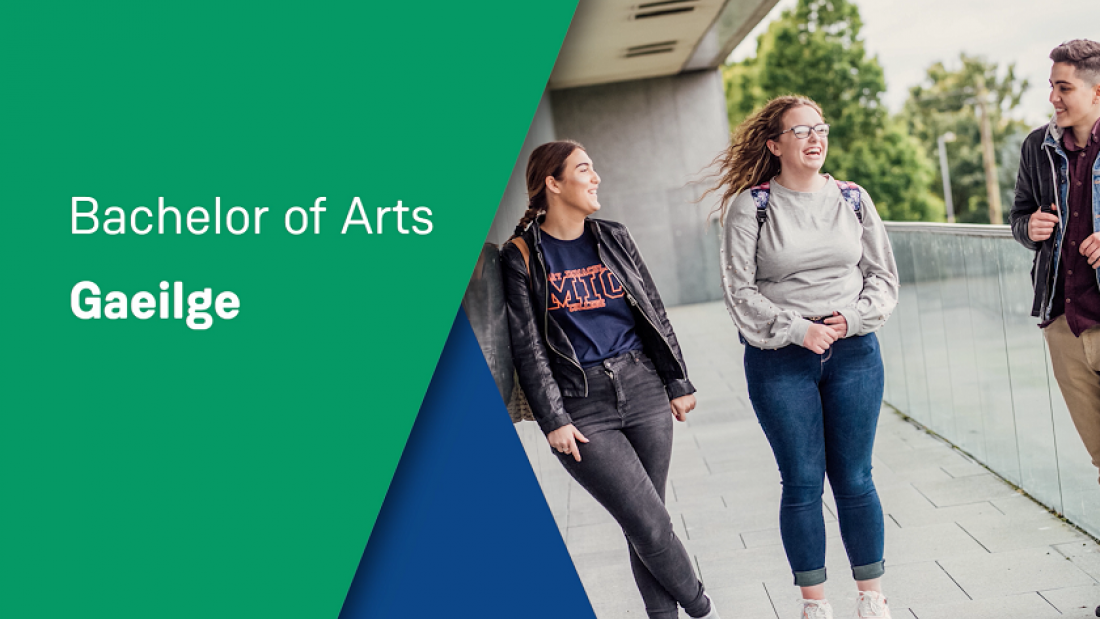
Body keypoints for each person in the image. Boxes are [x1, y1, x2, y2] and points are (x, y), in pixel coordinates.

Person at [501, 140, 717, 619]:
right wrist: (552, 418)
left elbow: (652, 310)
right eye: (584, 169)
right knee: (647, 521)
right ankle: (704, 608)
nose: (596, 177)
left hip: (642, 388)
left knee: (646, 523)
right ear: (553, 184)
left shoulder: (614, 236)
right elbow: (527, 346)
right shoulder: (521, 256)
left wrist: (676, 381)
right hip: (583, 407)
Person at [706, 96, 899, 619]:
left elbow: (883, 278)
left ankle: (872, 597)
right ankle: (816, 604)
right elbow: (739, 291)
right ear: (774, 145)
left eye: (821, 129)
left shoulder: (853, 198)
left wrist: (853, 320)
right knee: (802, 481)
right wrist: (798, 330)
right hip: (780, 361)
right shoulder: (752, 206)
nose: (815, 138)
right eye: (801, 131)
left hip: (855, 354)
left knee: (856, 478)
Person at [1011, 38, 1100, 506]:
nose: (1053, 98)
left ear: (1097, 90)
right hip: (1063, 323)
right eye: (1051, 86)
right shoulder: (1037, 147)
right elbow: (1018, 218)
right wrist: (1031, 227)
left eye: (1063, 87)